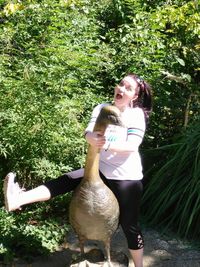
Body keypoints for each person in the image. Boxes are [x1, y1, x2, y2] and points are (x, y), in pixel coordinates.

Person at [3, 73, 152, 267]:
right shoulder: (101, 107)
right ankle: (18, 199)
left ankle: (139, 265)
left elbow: (132, 145)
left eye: (128, 88)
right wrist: (90, 137)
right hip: (100, 169)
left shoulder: (135, 114)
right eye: (121, 84)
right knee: (65, 180)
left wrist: (103, 144)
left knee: (129, 226)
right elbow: (89, 131)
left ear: (135, 96)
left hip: (126, 177)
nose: (121, 89)